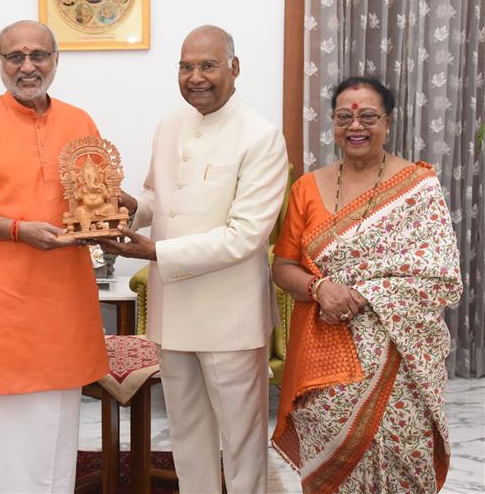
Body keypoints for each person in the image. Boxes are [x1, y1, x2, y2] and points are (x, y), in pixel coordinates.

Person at [99, 25, 288, 493]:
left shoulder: (262, 136)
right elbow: (155, 196)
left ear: (234, 68)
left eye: (208, 65)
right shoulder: (170, 124)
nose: (195, 77)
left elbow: (245, 236)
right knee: (186, 437)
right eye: (186, 66)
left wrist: (154, 251)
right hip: (174, 314)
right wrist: (132, 208)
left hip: (230, 318)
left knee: (241, 444)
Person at [0, 20, 109, 493]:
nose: (28, 67)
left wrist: (113, 212)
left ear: (55, 60)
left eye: (38, 55)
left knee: (55, 434)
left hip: (63, 305)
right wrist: (16, 230)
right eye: (16, 57)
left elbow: (94, 200)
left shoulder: (80, 121)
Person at [270, 76, 462, 493]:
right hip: (326, 360)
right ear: (333, 124)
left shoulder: (418, 188)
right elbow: (283, 267)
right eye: (344, 117)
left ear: (388, 123)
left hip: (401, 359)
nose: (355, 126)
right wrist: (321, 289)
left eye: (368, 117)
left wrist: (365, 293)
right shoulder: (306, 188)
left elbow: (440, 271)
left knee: (405, 454)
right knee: (334, 463)